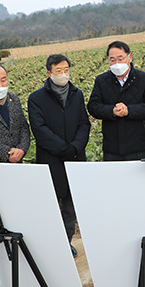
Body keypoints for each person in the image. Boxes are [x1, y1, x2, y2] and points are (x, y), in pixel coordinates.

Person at [28, 54, 90, 257]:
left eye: (66, 70)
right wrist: (63, 148)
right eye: (58, 71)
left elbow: (83, 123)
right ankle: (51, 244)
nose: (63, 74)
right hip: (51, 159)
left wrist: (75, 147)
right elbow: (39, 129)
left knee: (71, 207)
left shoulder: (77, 94)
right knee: (52, 204)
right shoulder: (36, 98)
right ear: (49, 73)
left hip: (75, 157)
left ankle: (67, 241)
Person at [87, 41, 145, 161]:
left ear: (129, 58)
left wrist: (129, 111)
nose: (116, 63)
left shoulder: (144, 79)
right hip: (111, 146)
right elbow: (93, 106)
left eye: (120, 58)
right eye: (112, 60)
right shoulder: (101, 80)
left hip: (139, 146)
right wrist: (112, 111)